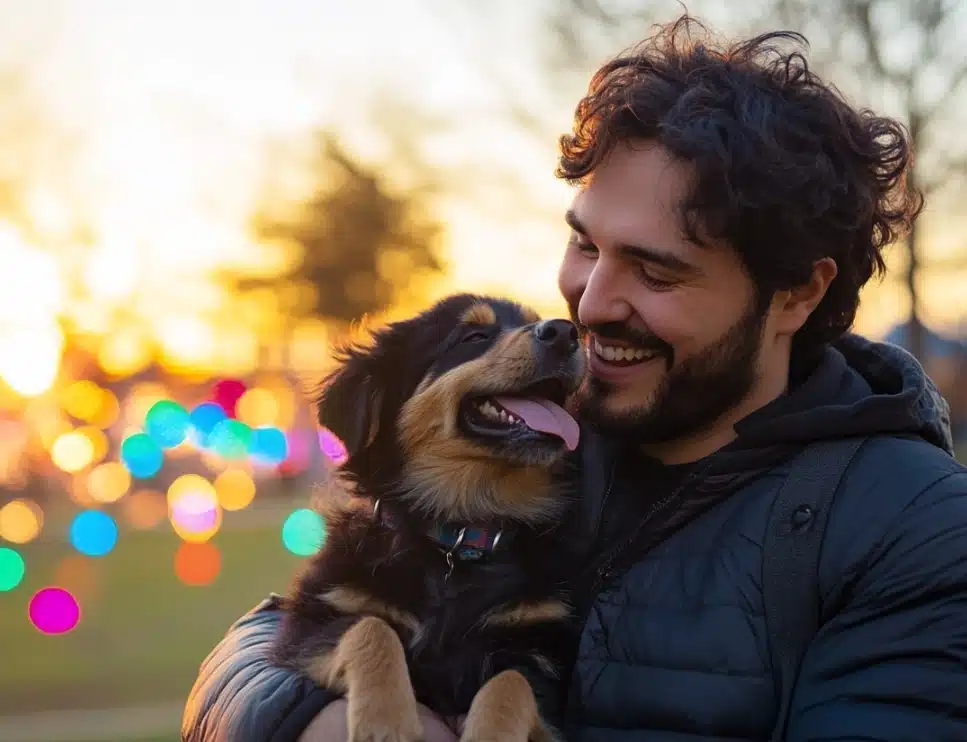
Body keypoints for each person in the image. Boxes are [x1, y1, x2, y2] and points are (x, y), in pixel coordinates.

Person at [181, 15, 967, 742]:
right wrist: (302, 722)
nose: (590, 305)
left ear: (795, 293)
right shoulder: (532, 445)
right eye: (586, 246)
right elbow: (263, 638)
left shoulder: (915, 534)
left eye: (655, 271)